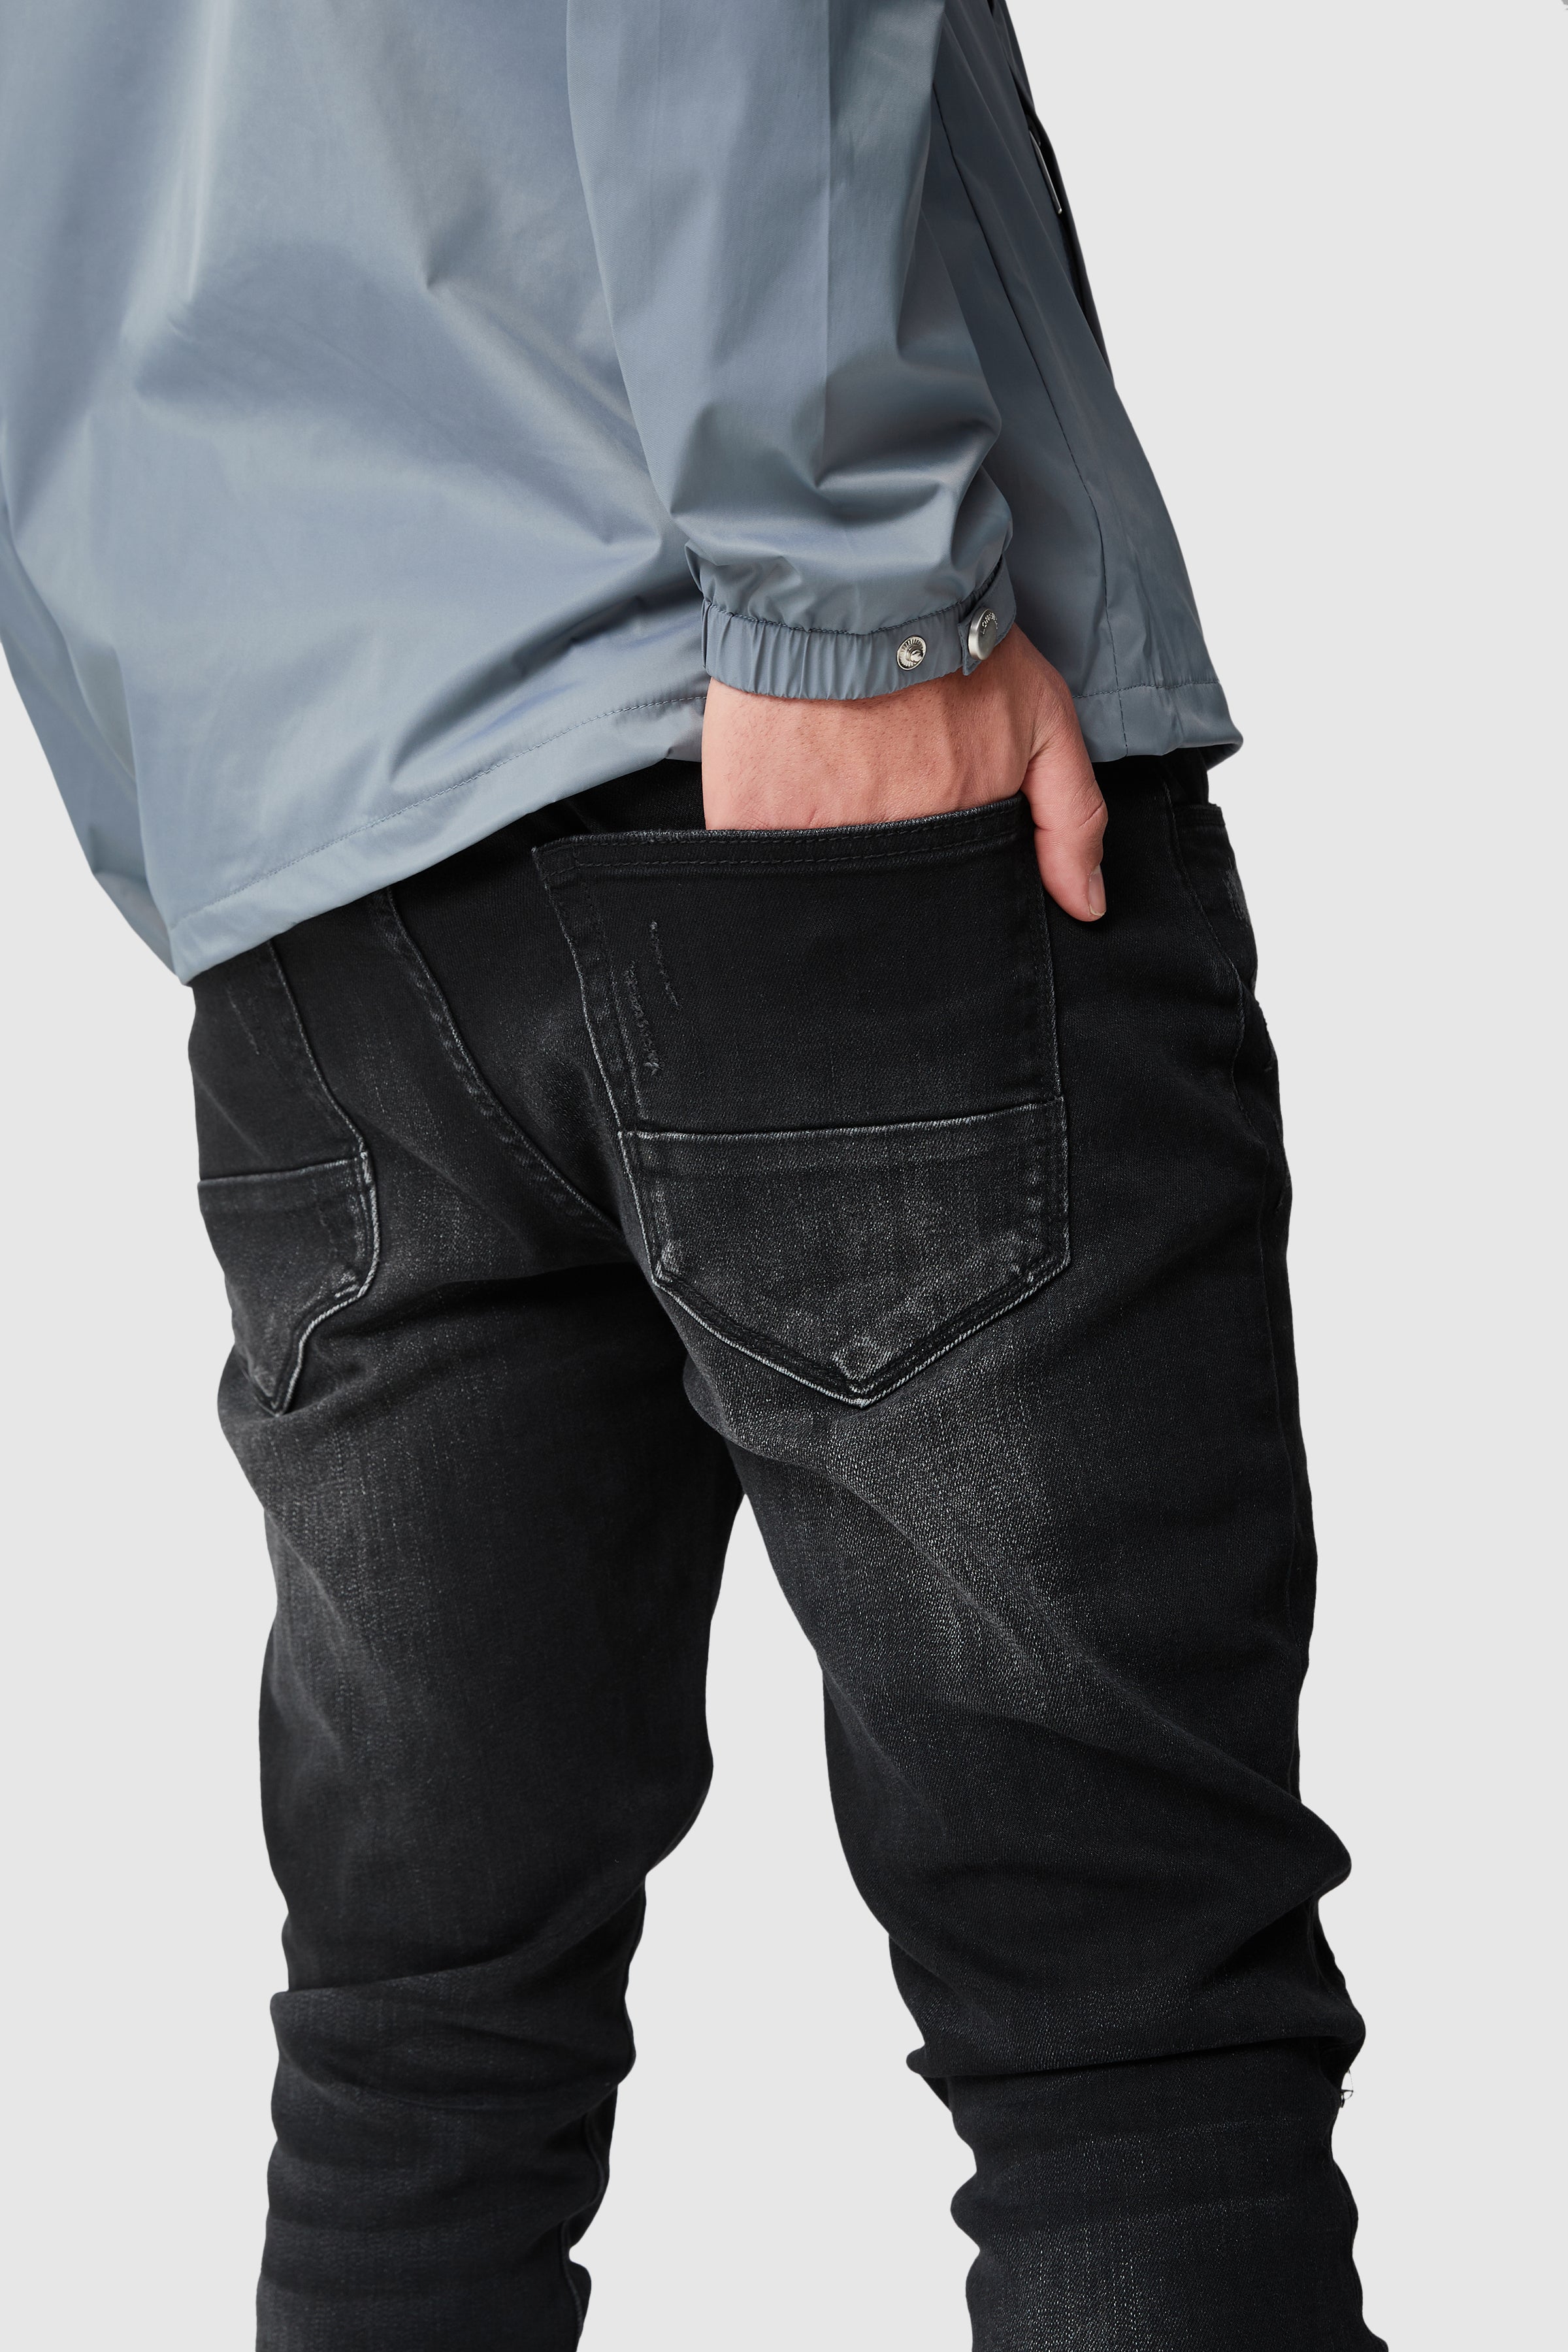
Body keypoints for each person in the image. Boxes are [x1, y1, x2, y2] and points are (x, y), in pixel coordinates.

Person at [0, 3, 1383, 2345]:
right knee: (1131, 2038)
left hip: (305, 853)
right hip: (787, 721)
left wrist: (203, 791)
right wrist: (853, 588)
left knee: (421, 2061)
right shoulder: (831, 621)